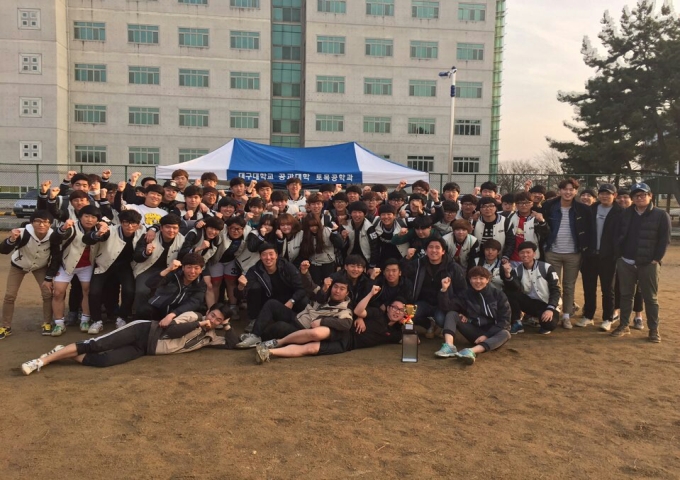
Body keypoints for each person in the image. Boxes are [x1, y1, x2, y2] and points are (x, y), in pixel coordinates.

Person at [21, 303, 235, 375]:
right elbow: (171, 330)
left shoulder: (211, 337)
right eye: (212, 315)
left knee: (104, 361)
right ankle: (41, 361)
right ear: (208, 311)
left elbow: (234, 344)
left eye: (218, 320)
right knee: (96, 345)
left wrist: (227, 326)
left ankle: (61, 352)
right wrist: (200, 324)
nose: (213, 320)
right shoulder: (194, 316)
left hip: (145, 349)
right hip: (143, 331)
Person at [253, 286, 404, 364]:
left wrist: (408, 322)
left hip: (347, 344)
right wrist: (370, 295)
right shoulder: (377, 314)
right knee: (315, 333)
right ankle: (277, 342)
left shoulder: (396, 332)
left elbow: (411, 341)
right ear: (388, 308)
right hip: (344, 330)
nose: (397, 311)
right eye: (394, 308)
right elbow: (359, 310)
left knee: (311, 349)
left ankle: (269, 353)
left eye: (401, 310)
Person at [610, 183, 671, 342]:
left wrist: (656, 259)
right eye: (636, 195)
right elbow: (617, 235)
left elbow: (664, 239)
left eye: (643, 194)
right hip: (626, 261)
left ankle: (653, 330)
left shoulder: (661, 215)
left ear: (650, 196)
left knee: (650, 298)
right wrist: (619, 255)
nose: (639, 197)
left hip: (648, 263)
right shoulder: (624, 214)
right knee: (625, 295)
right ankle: (624, 325)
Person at [237, 273, 353, 349]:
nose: (337, 291)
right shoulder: (324, 294)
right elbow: (309, 285)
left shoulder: (344, 310)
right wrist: (305, 272)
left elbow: (346, 324)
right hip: (297, 317)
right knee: (272, 304)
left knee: (280, 326)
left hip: (302, 330)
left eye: (342, 289)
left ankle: (260, 338)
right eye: (335, 287)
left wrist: (323, 321)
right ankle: (255, 335)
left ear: (347, 293)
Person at [46, 205, 109, 336]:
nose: (89, 220)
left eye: (93, 217)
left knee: (87, 292)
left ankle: (85, 320)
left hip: (87, 266)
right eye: (86, 216)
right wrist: (63, 229)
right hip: (67, 265)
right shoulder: (71, 227)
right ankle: (59, 323)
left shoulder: (99, 228)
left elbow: (112, 226)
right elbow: (55, 239)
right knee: (58, 293)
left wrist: (104, 224)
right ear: (80, 217)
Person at [541, 178, 593, 329]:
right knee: (553, 285)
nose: (568, 192)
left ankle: (566, 316)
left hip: (573, 253)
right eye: (565, 189)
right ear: (560, 191)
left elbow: (589, 230)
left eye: (571, 189)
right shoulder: (549, 206)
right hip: (552, 252)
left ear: (576, 191)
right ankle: (554, 313)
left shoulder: (583, 209)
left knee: (569, 286)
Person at [434, 267, 511, 364]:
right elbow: (447, 307)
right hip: (474, 332)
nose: (478, 281)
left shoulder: (499, 295)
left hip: (492, 335)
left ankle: (470, 351)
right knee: (452, 314)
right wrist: (444, 289)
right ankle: (449, 346)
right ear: (470, 280)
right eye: (474, 278)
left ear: (487, 280)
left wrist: (486, 336)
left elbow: (505, 321)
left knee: (506, 333)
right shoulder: (466, 294)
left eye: (481, 278)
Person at [87, 209, 145, 334]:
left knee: (129, 290)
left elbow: (158, 226)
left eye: (133, 223)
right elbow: (90, 239)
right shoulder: (110, 230)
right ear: (120, 222)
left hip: (125, 266)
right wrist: (98, 233)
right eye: (126, 222)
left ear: (138, 224)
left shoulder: (142, 232)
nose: (130, 226)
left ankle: (122, 317)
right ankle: (96, 320)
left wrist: (154, 229)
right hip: (104, 264)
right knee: (94, 292)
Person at [0, 210, 54, 339]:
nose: (41, 225)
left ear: (50, 224)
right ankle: (5, 326)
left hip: (40, 266)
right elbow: (3, 250)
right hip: (19, 265)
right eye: (38, 221)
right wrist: (11, 239)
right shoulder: (22, 233)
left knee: (47, 294)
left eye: (45, 222)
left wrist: (50, 275)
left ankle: (47, 323)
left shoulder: (53, 236)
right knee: (10, 296)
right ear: (31, 223)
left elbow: (56, 255)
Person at [577, 184, 623, 329]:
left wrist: (616, 252)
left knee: (608, 289)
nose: (605, 196)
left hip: (608, 257)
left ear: (614, 195)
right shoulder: (591, 209)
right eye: (602, 193)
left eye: (608, 194)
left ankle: (608, 318)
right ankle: (588, 316)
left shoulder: (620, 212)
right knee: (589, 287)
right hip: (590, 255)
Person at [401, 238, 467, 337]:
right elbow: (403, 273)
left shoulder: (453, 267)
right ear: (426, 250)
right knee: (409, 315)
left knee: (441, 320)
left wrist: (460, 310)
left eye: (437, 247)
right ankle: (429, 324)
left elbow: (462, 291)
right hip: (423, 302)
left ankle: (441, 327)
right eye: (430, 247)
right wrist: (407, 259)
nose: (434, 250)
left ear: (443, 251)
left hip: (443, 305)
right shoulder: (418, 264)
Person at [238, 243, 308, 332]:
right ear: (260, 257)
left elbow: (301, 288)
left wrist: (292, 300)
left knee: (304, 300)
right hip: (268, 301)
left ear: (276, 255)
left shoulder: (287, 266)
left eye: (271, 254)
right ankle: (254, 320)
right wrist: (240, 286)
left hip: (289, 301)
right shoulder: (255, 271)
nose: (268, 258)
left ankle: (303, 321)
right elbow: (243, 294)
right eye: (264, 255)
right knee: (255, 287)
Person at [501, 241, 561, 335]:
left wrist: (550, 308)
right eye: (522, 253)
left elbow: (555, 290)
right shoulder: (517, 270)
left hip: (547, 304)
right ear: (519, 255)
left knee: (548, 325)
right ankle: (517, 322)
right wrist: (508, 274)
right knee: (509, 292)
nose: (525, 255)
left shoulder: (546, 267)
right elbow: (514, 288)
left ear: (534, 254)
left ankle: (541, 319)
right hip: (530, 303)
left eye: (528, 252)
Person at [132, 214, 185, 314]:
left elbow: (184, 257)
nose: (171, 230)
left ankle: (161, 316)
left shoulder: (182, 240)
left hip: (168, 270)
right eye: (168, 227)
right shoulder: (149, 236)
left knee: (170, 290)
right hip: (146, 268)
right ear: (161, 228)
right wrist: (146, 253)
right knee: (142, 291)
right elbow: (137, 257)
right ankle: (138, 315)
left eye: (175, 228)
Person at [136, 253, 208, 322]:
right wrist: (168, 269)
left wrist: (173, 314)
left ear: (201, 270)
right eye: (189, 267)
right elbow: (150, 284)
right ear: (183, 268)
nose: (192, 271)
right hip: (158, 308)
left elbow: (194, 302)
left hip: (177, 314)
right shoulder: (173, 274)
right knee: (143, 310)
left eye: (196, 268)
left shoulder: (201, 283)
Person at [611, 188, 643, 329]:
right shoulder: (617, 214)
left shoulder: (641, 213)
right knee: (618, 285)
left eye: (626, 197)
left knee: (639, 288)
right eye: (620, 197)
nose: (622, 200)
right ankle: (616, 311)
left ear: (631, 199)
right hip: (621, 257)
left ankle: (638, 315)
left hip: (640, 258)